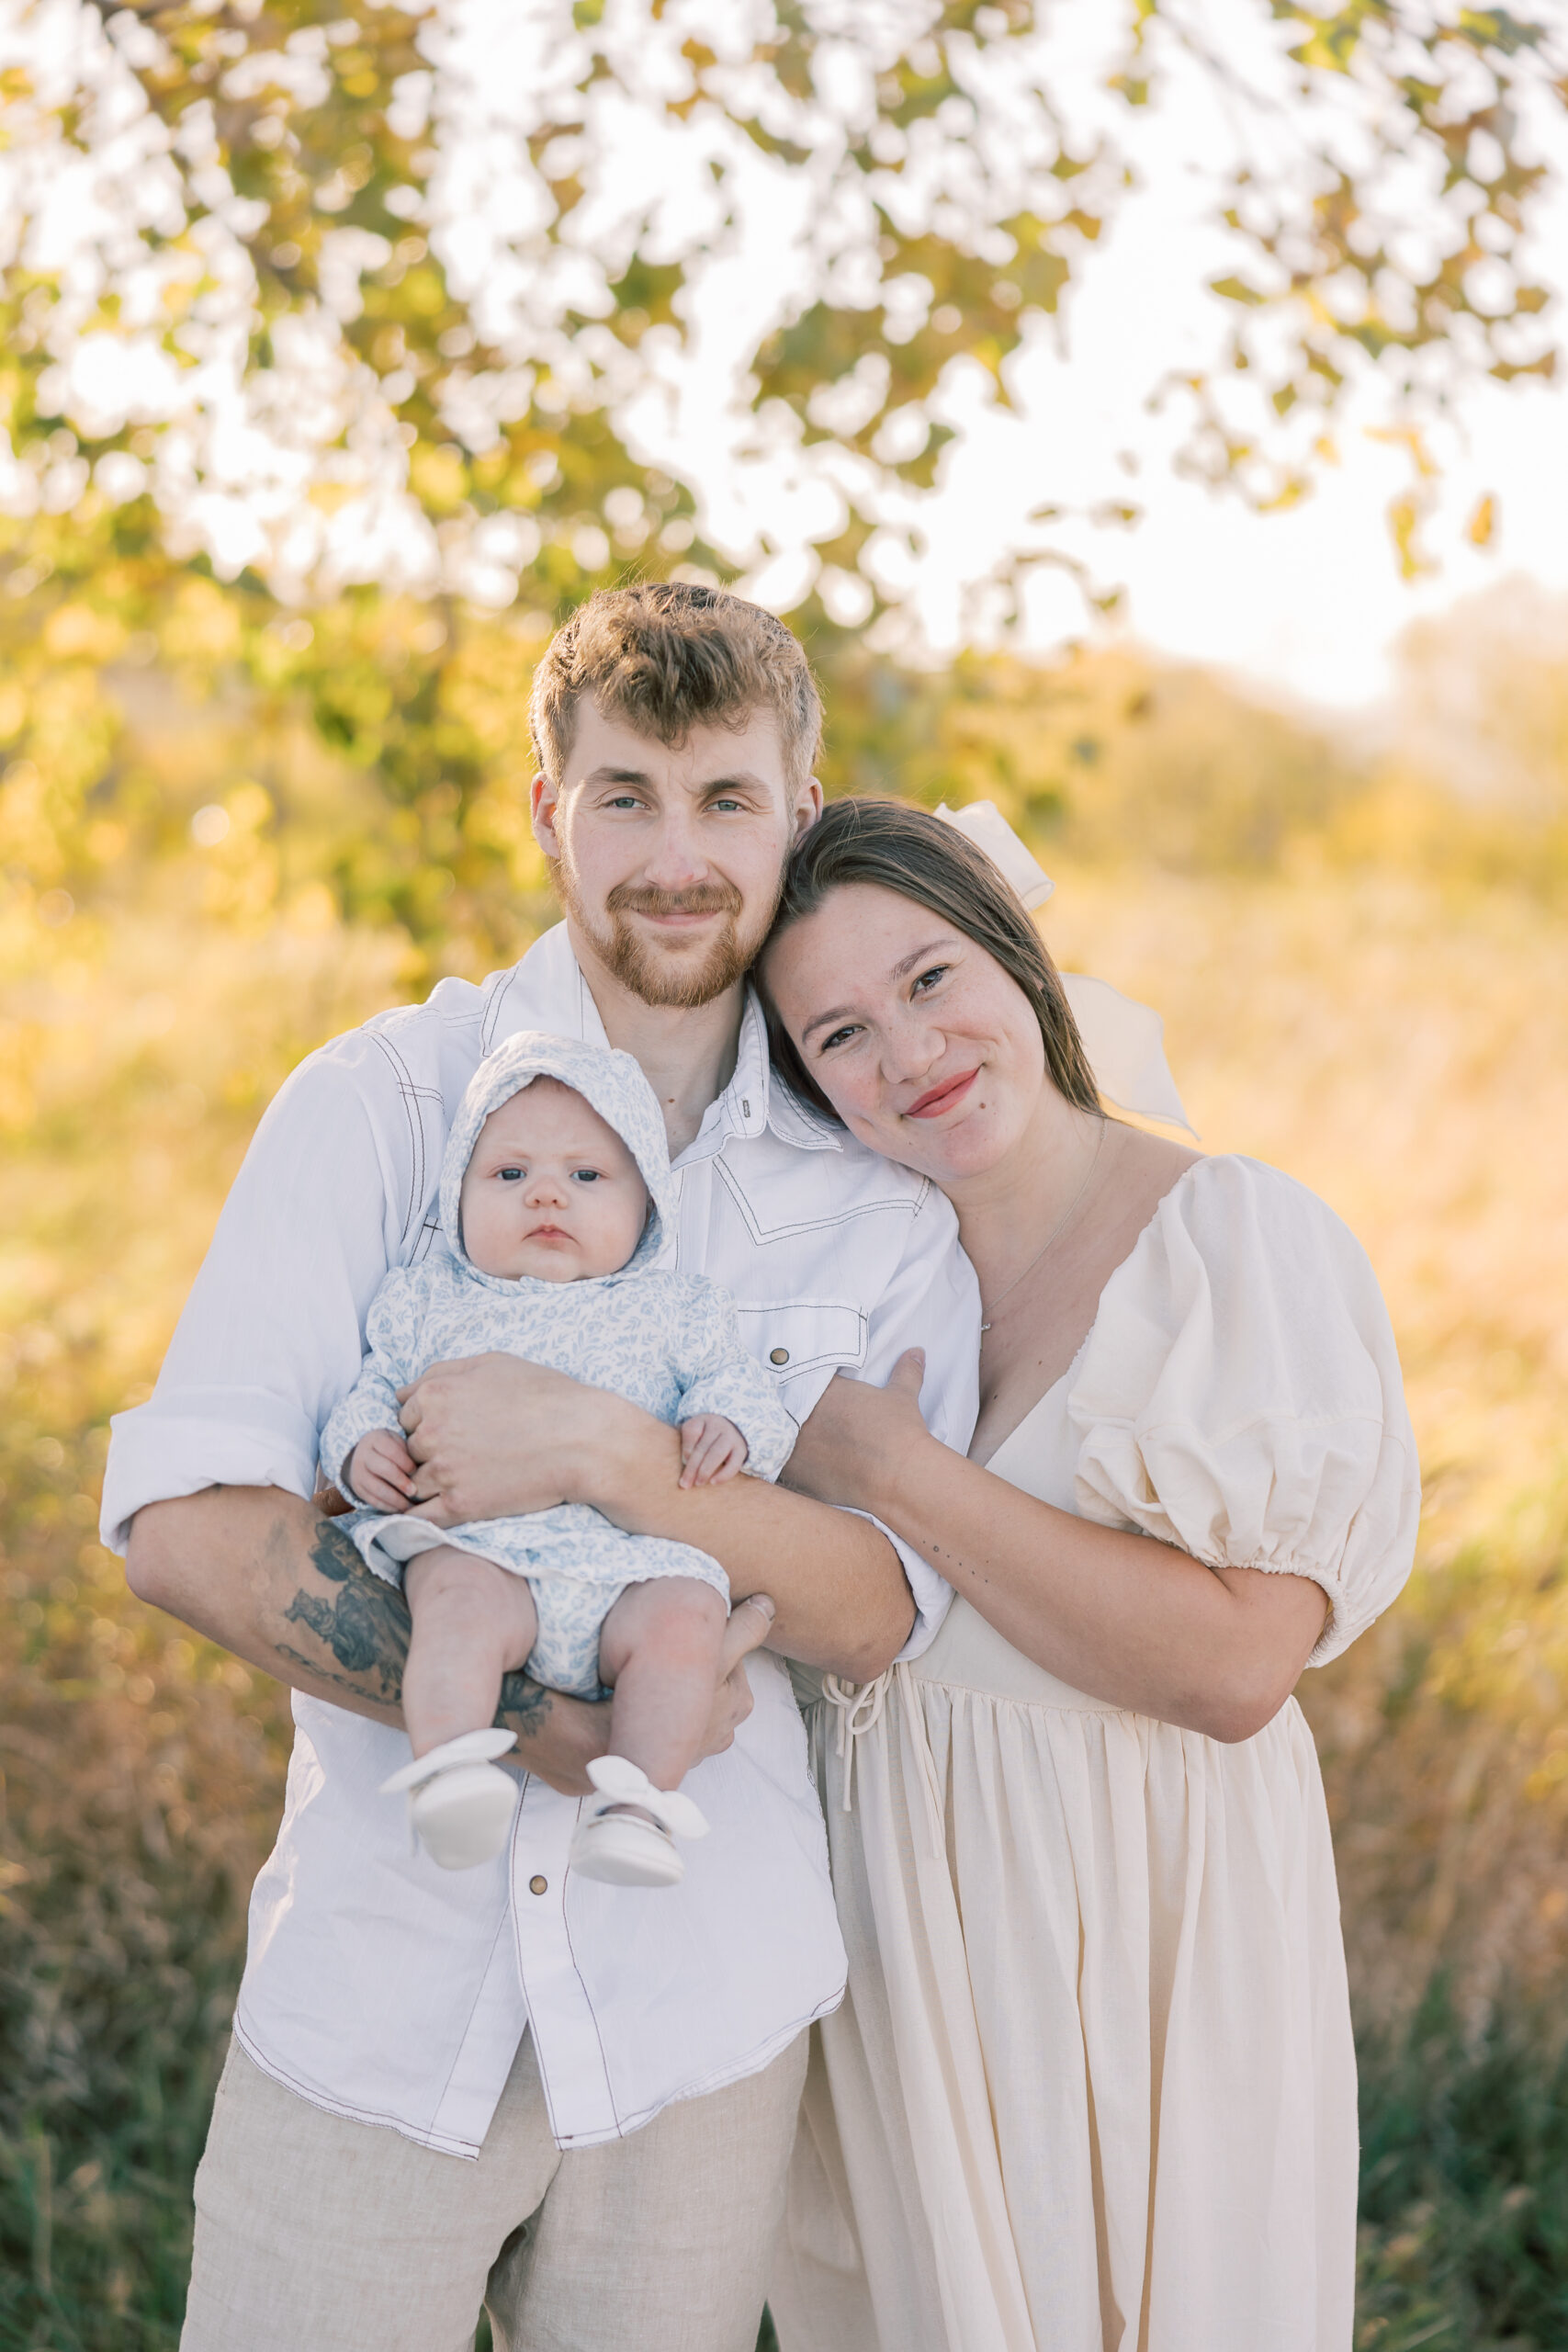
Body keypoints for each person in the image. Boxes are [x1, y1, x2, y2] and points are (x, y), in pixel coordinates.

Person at [101, 586, 980, 2352]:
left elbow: (886, 1609)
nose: (675, 853)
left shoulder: (871, 1180)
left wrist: (611, 1458)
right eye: (625, 795)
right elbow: (193, 1532)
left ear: (798, 813)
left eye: (725, 798)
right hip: (382, 1987)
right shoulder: (383, 1106)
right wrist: (541, 1734)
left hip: (703, 2007)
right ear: (545, 810)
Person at [754, 797, 1421, 2352]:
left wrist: (898, 1474)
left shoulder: (1227, 1242)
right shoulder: (844, 1279)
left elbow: (1234, 1669)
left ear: (1015, 950)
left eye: (928, 980)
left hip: (1139, 1926)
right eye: (840, 1034)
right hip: (902, 1948)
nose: (909, 1054)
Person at [321, 1028, 795, 1883]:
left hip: (631, 1567)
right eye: (508, 1175)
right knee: (452, 1603)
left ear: (646, 1206)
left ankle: (636, 1808)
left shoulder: (675, 1308)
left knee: (687, 1619)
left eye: (585, 1176)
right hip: (485, 1549)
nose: (546, 1196)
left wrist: (732, 1422)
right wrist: (362, 1445)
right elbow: (373, 1383)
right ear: (457, 1194)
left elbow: (740, 1384)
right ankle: (451, 1771)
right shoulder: (427, 1298)